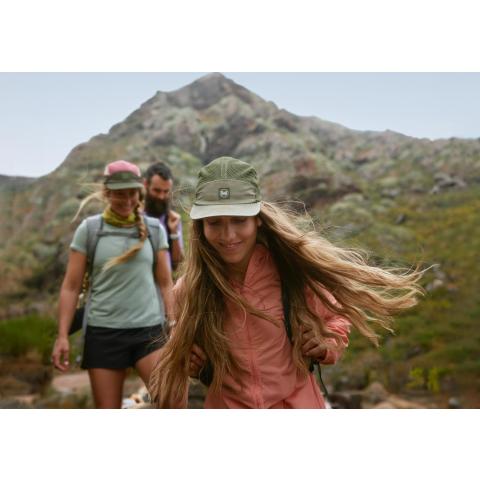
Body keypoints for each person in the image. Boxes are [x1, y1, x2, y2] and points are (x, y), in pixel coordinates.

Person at [149, 156, 424, 409]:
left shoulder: (292, 274)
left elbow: (336, 320)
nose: (228, 235)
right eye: (214, 223)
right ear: (200, 226)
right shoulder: (191, 289)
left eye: (239, 220)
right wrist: (193, 364)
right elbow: (181, 352)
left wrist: (326, 344)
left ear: (257, 220)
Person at [51, 160, 173, 408]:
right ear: (106, 193)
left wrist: (174, 325)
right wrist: (62, 336)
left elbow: (165, 283)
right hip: (104, 334)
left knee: (172, 402)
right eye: (120, 193)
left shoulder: (154, 229)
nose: (127, 200)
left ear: (139, 192)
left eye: (132, 193)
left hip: (149, 332)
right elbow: (71, 286)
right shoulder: (90, 230)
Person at [144, 162, 184, 272]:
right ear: (146, 184)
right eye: (157, 190)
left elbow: (177, 265)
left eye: (166, 191)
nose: (161, 196)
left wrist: (174, 233)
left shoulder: (173, 219)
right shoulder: (135, 216)